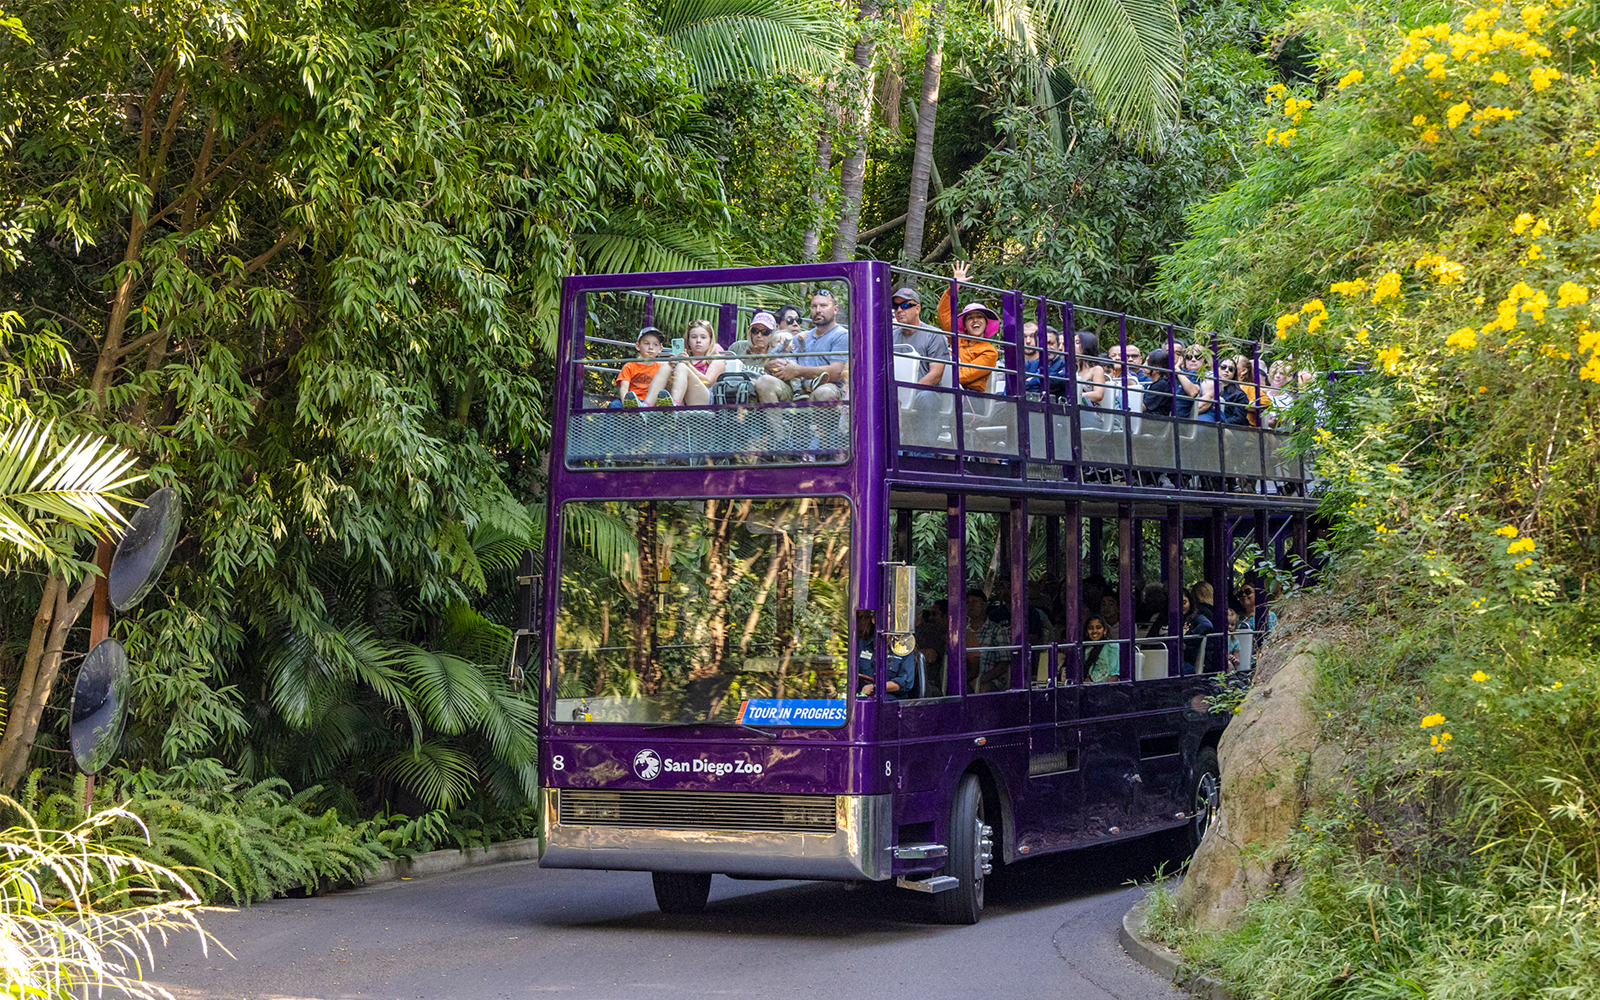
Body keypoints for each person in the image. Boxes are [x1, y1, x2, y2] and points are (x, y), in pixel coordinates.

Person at [891, 286, 952, 445]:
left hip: (923, 392)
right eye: (895, 306)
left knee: (927, 398)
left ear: (917, 308)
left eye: (905, 305)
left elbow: (936, 374)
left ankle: (924, 454)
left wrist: (908, 391)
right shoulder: (889, 337)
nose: (899, 310)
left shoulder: (934, 334)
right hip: (894, 393)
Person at [773, 289, 848, 402]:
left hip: (828, 387)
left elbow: (837, 373)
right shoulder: (802, 336)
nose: (818, 310)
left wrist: (798, 371)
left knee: (823, 393)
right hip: (796, 389)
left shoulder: (842, 335)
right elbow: (779, 355)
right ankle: (776, 420)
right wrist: (772, 364)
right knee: (765, 382)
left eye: (823, 305)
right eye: (814, 306)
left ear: (835, 309)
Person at [857, 610, 917, 698]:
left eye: (889, 616)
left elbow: (905, 683)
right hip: (863, 700)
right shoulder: (862, 644)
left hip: (892, 702)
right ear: (873, 620)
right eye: (882, 615)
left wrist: (874, 687)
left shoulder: (905, 647)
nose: (885, 619)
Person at [668, 318, 727, 406]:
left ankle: (674, 407)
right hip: (683, 398)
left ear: (710, 340)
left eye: (703, 337)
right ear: (688, 341)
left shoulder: (717, 359)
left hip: (704, 400)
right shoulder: (685, 357)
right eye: (694, 337)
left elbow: (708, 382)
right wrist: (671, 367)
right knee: (666, 367)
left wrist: (687, 365)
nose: (698, 341)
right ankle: (646, 404)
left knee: (681, 367)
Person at [611, 325, 672, 407]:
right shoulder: (629, 366)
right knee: (614, 405)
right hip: (632, 402)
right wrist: (626, 404)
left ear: (660, 349)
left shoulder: (662, 368)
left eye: (655, 345)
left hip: (651, 403)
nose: (651, 347)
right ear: (638, 346)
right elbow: (624, 388)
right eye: (646, 343)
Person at [954, 302, 1000, 393]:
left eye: (979, 316)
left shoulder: (990, 351)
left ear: (986, 323)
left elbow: (965, 375)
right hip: (948, 390)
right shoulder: (956, 342)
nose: (975, 320)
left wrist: (939, 376)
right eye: (970, 318)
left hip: (972, 395)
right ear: (965, 326)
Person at [1143, 347, 1201, 418]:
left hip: (1175, 420)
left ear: (1182, 357)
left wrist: (1177, 370)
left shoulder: (1189, 374)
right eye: (1168, 352)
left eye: (1177, 353)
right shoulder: (1156, 378)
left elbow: (1193, 392)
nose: (1172, 355)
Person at [1082, 616, 1118, 683]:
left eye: (1098, 627)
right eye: (1090, 628)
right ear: (1086, 632)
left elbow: (1114, 677)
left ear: (1105, 630)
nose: (1094, 631)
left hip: (1108, 689)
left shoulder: (1112, 646)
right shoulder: (1085, 647)